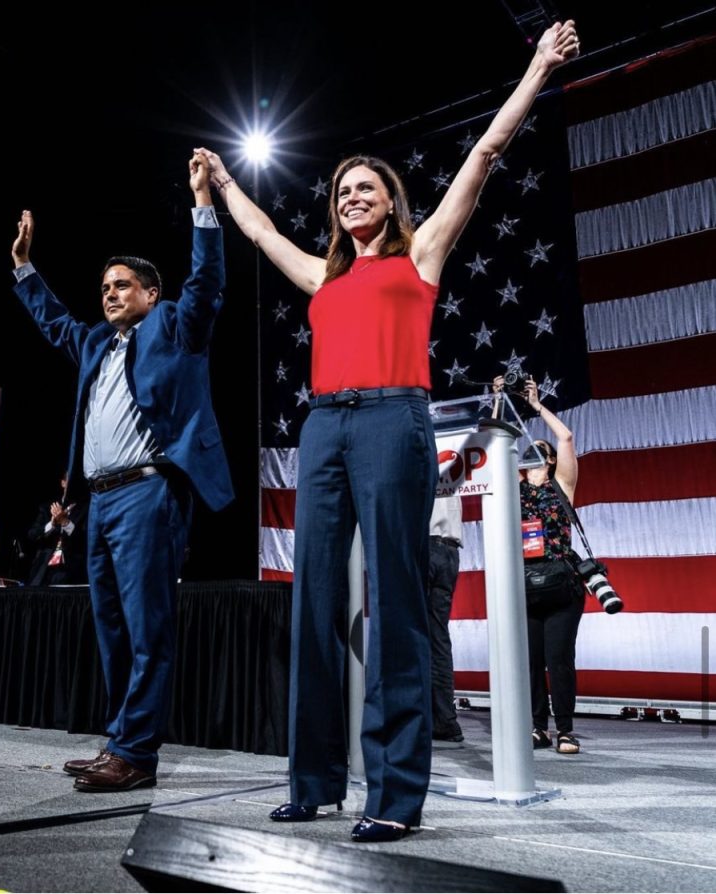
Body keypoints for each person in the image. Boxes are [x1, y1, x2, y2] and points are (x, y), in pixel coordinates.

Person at [196, 19, 580, 842]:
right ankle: (313, 783)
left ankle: (395, 796)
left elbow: (483, 154)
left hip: (394, 422)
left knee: (398, 605)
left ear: (392, 201)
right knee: (316, 604)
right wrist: (223, 184)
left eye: (365, 189)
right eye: (341, 193)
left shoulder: (423, 255)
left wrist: (539, 68)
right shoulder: (321, 275)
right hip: (324, 429)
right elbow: (263, 233)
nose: (351, 199)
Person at [10, 152, 232, 793]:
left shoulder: (173, 325)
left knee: (146, 626)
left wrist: (202, 204)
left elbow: (208, 282)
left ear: (150, 294)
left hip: (147, 492)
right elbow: (54, 322)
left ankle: (137, 752)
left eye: (122, 285)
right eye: (104, 287)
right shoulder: (94, 344)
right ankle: (121, 745)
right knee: (110, 626)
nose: (109, 294)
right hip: (98, 504)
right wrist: (25, 266)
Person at [496, 375, 583, 755]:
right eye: (525, 450)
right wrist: (500, 401)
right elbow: (493, 445)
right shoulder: (511, 486)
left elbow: (564, 438)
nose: (531, 452)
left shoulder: (560, 484)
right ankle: (538, 728)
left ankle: (565, 730)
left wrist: (536, 407)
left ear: (548, 461)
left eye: (538, 449)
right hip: (525, 585)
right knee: (530, 662)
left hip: (561, 583)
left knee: (558, 659)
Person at [427, 494, 464, 745]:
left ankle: (412, 717)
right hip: (449, 548)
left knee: (408, 633)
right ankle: (444, 720)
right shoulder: (453, 458)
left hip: (424, 544)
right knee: (438, 637)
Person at [25, 472, 87, 586]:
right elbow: (32, 535)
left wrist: (65, 522)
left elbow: (85, 540)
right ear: (63, 483)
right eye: (69, 480)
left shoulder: (84, 509)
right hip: (44, 568)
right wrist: (52, 524)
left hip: (70, 570)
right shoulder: (47, 508)